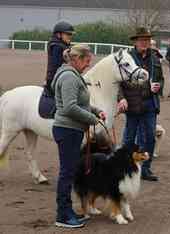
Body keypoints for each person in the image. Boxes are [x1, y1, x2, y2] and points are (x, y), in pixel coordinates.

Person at [52, 44, 106, 228]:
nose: (88, 64)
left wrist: (96, 111)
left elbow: (80, 104)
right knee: (67, 174)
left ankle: (67, 210)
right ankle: (62, 215)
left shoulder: (72, 75)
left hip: (71, 130)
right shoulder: (68, 77)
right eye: (86, 60)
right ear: (76, 59)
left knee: (69, 172)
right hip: (68, 130)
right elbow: (69, 107)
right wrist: (91, 118)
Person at [117, 28, 163, 182]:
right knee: (129, 139)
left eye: (147, 40)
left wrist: (158, 86)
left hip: (150, 103)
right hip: (133, 103)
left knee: (150, 137)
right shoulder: (127, 58)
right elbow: (119, 82)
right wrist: (121, 98)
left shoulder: (155, 58)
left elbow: (161, 79)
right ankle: (125, 167)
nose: (145, 43)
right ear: (135, 41)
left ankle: (145, 169)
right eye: (142, 40)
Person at [39, 21, 75, 119]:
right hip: (54, 79)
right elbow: (58, 65)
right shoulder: (57, 46)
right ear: (59, 35)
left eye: (71, 34)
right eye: (68, 34)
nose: (70, 36)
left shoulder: (63, 45)